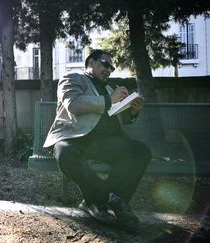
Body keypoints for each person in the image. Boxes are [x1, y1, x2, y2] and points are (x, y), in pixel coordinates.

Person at [43, 49, 152, 232]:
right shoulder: (73, 78)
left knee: (141, 151)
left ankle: (94, 201)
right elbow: (74, 104)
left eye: (112, 67)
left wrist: (132, 110)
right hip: (73, 138)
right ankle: (112, 201)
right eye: (105, 64)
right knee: (66, 154)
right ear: (91, 62)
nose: (109, 70)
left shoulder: (109, 88)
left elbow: (119, 116)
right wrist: (109, 99)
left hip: (102, 143)